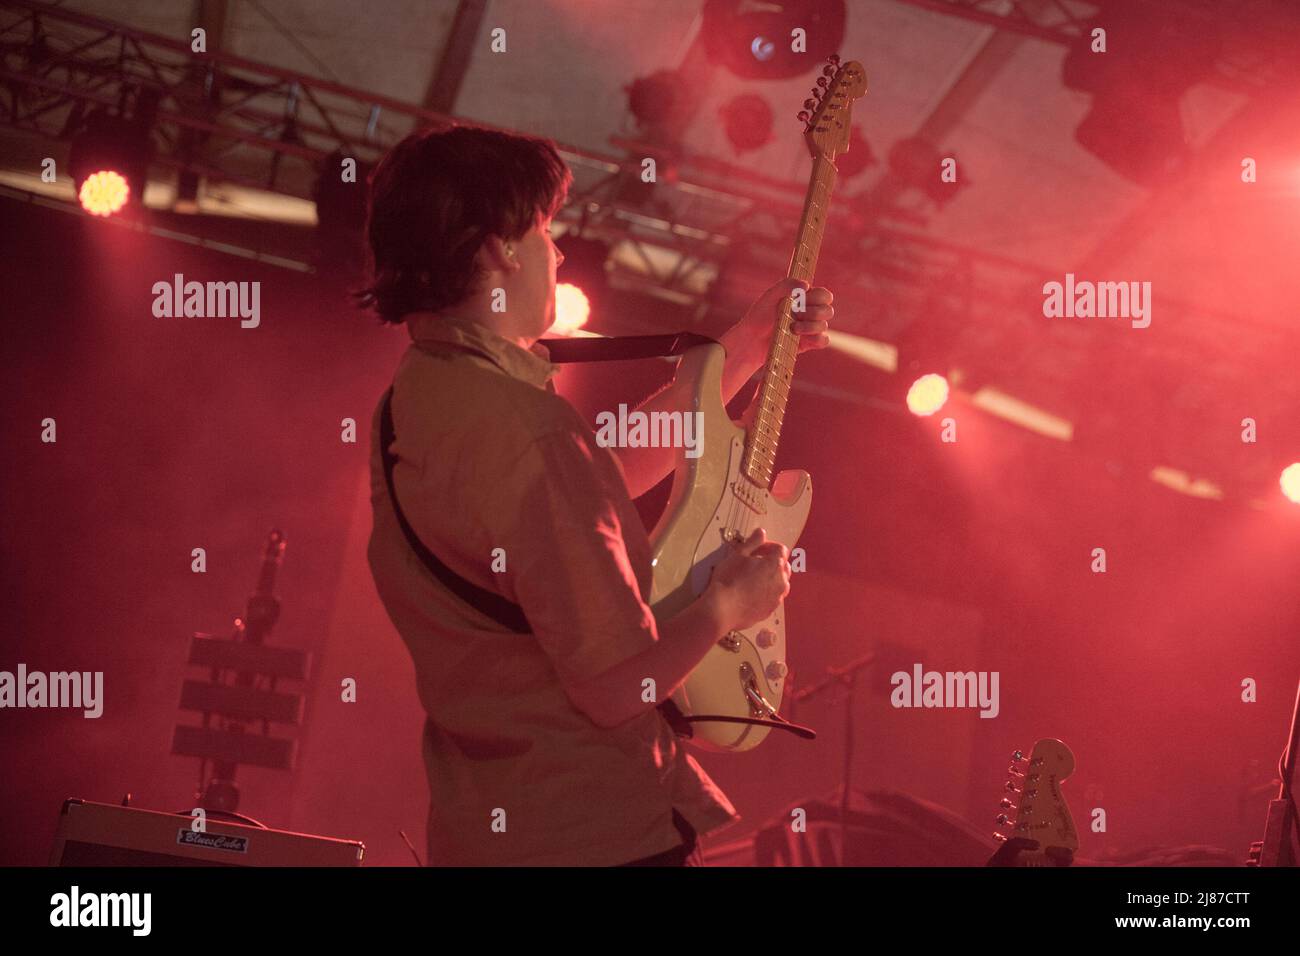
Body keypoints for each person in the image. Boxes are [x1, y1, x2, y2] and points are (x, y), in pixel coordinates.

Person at [359, 125, 834, 866]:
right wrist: (724, 607)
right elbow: (618, 688)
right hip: (597, 834)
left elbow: (587, 485)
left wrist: (745, 348)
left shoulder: (414, 403)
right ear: (495, 251)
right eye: (543, 228)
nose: (558, 252)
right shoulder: (531, 430)